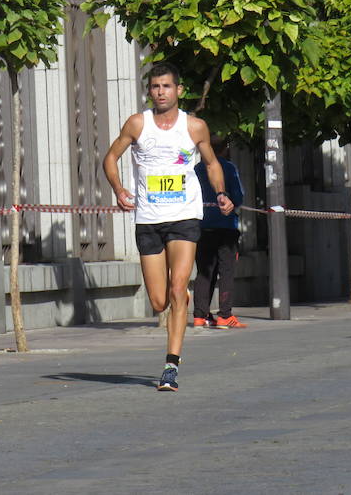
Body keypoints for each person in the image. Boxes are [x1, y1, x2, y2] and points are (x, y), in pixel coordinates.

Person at [103, 62, 233, 391]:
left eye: (166, 87)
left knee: (177, 291)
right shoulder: (137, 124)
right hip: (148, 219)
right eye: (155, 87)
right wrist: (118, 189)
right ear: (150, 91)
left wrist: (220, 193)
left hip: (184, 217)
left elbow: (212, 162)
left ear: (178, 91)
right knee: (159, 301)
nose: (160, 92)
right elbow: (109, 157)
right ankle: (178, 297)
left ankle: (170, 366)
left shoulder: (194, 127)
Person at [193, 135, 247, 329]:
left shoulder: (197, 170)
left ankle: (200, 316)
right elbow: (239, 197)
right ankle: (225, 315)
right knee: (226, 271)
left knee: (204, 272)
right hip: (226, 227)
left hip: (202, 226)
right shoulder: (229, 168)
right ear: (224, 148)